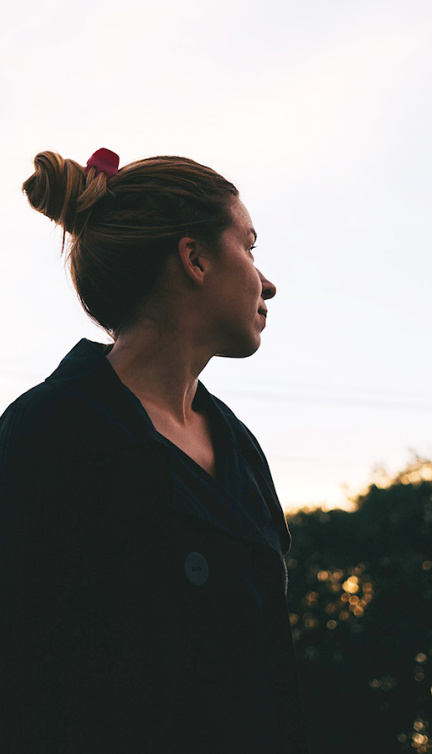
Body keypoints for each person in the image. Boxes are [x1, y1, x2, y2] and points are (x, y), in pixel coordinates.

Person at [0, 148, 309, 753]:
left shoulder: (242, 452)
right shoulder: (48, 433)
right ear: (194, 258)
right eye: (248, 247)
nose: (266, 280)